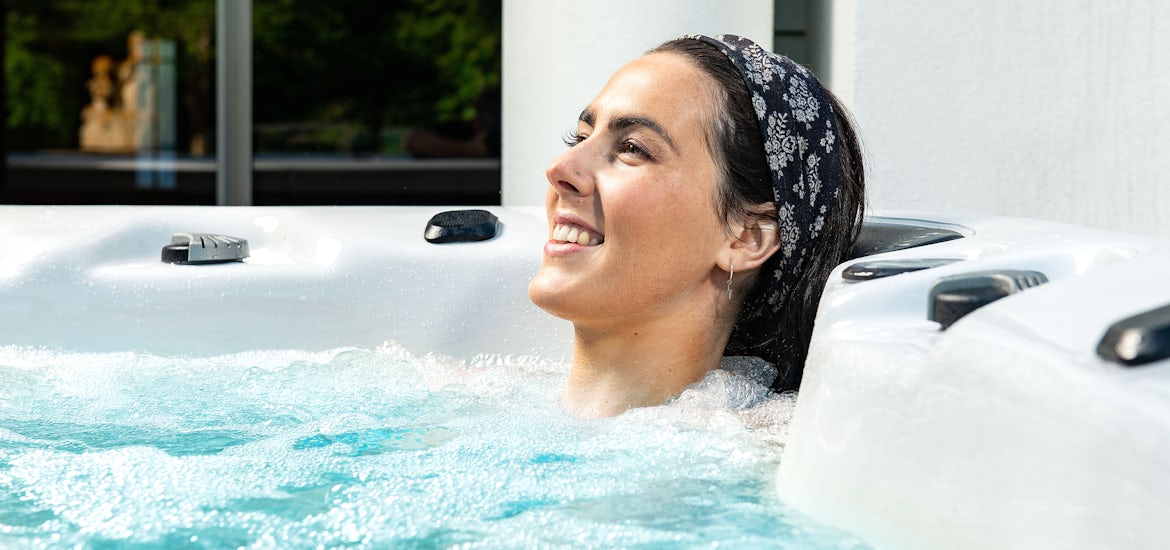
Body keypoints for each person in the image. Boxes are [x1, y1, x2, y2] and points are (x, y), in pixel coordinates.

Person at [528, 34, 865, 418]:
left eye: (632, 148)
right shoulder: (472, 394)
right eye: (581, 136)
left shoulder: (767, 457)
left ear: (747, 237)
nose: (559, 168)